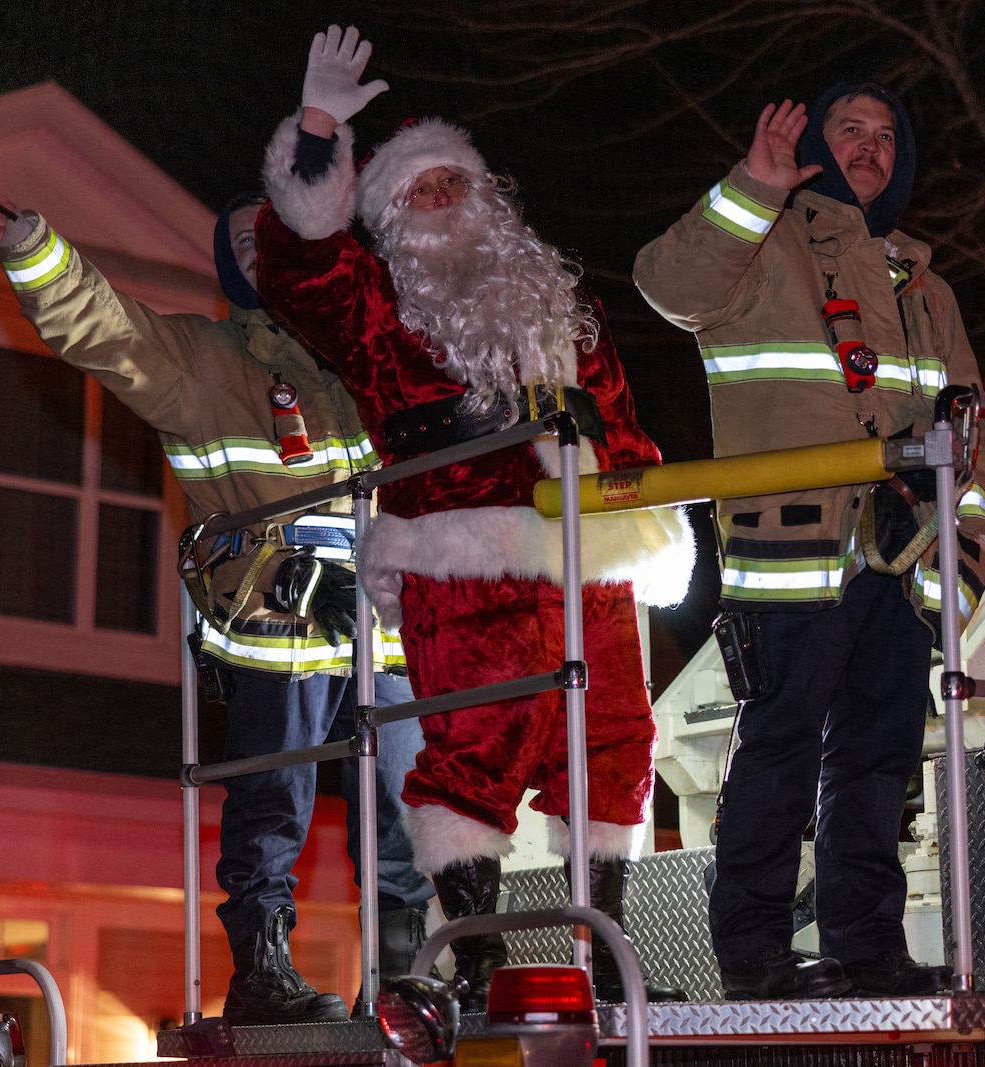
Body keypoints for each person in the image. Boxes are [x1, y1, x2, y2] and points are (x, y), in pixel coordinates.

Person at [252, 26, 695, 1009]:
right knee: (474, 751)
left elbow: (615, 414)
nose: (441, 200)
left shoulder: (560, 295)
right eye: (417, 191)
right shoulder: (371, 303)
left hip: (589, 552)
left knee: (617, 748)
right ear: (390, 218)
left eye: (453, 182)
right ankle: (480, 956)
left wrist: (648, 505)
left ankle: (601, 957)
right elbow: (293, 265)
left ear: (488, 195)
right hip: (462, 555)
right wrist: (320, 126)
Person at [0, 182, 436, 1026]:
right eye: (236, 239)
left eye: (267, 234)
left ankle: (399, 981)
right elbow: (106, 328)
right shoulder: (205, 361)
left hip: (382, 643)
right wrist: (30, 246)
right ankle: (262, 976)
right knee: (271, 809)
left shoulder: (363, 361)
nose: (253, 245)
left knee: (411, 813)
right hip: (278, 638)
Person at [632, 83, 985, 1000]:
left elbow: (974, 435)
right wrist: (750, 189)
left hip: (902, 558)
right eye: (852, 130)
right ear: (816, 147)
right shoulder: (764, 244)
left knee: (880, 761)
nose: (872, 146)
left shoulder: (929, 286)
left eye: (887, 135)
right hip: (790, 549)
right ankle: (754, 951)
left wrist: (966, 557)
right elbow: (665, 285)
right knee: (779, 746)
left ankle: (868, 946)